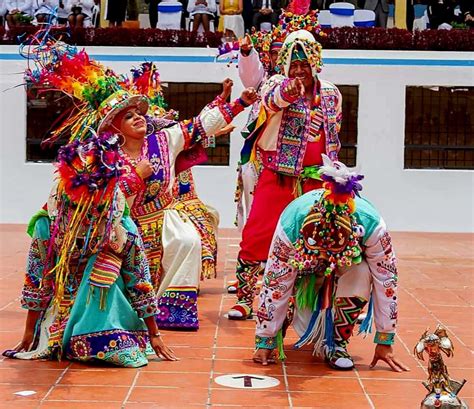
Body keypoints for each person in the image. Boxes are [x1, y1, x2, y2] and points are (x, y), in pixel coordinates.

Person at [98, 74, 257, 330]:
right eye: (128, 116)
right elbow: (107, 199)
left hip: (165, 213)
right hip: (125, 222)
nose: (138, 117)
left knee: (188, 240)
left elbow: (200, 125)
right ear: (115, 128)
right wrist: (135, 177)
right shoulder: (107, 157)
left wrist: (238, 103)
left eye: (138, 113)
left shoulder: (163, 140)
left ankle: (170, 310)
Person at [3, 135, 177, 367]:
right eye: (77, 204)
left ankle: (104, 333)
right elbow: (37, 278)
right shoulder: (49, 224)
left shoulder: (120, 226)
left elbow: (138, 277)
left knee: (104, 275)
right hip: (64, 303)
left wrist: (154, 334)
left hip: (108, 297)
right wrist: (29, 333)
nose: (88, 212)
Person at [252, 155, 410, 373]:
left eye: (333, 252)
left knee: (363, 270)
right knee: (282, 280)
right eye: (321, 252)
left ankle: (337, 343)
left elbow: (387, 279)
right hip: (303, 273)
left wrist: (385, 340)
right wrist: (265, 338)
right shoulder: (292, 223)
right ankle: (285, 323)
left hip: (346, 272)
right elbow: (275, 282)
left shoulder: (372, 226)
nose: (327, 259)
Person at [228, 29, 343, 320]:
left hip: (317, 180)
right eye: (294, 63)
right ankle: (244, 298)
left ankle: (304, 301)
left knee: (317, 239)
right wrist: (287, 92)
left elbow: (335, 134)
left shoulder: (331, 93)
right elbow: (270, 102)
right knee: (256, 235)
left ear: (316, 62)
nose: (300, 70)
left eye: (305, 64)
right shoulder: (276, 83)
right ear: (285, 64)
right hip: (279, 175)